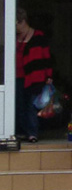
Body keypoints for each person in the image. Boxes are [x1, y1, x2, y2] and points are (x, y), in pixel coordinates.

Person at [15, 8, 53, 143]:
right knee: (18, 105)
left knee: (32, 106)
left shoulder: (38, 36)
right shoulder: (14, 38)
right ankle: (21, 132)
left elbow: (47, 57)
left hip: (35, 77)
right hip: (17, 77)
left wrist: (48, 76)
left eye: (16, 24)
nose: (15, 27)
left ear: (22, 21)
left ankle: (32, 133)